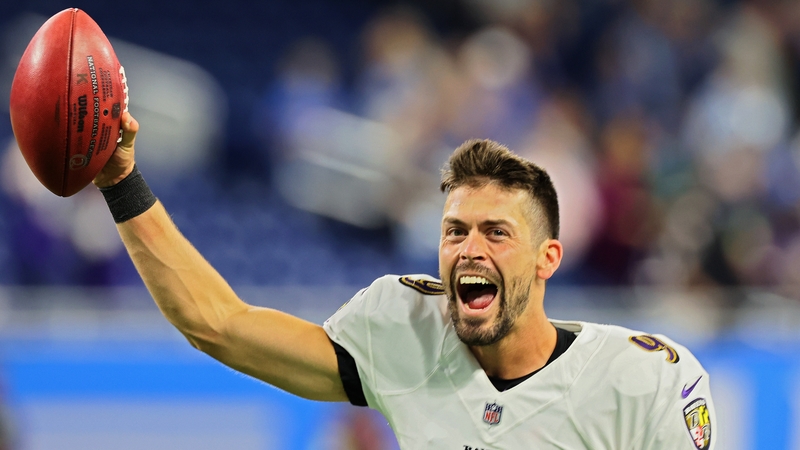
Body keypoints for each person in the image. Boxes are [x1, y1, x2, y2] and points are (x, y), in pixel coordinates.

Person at [93, 111, 716, 449]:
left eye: (496, 232)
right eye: (455, 231)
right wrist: (121, 183)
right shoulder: (404, 329)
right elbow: (218, 325)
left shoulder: (643, 381)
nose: (469, 250)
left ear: (547, 258)